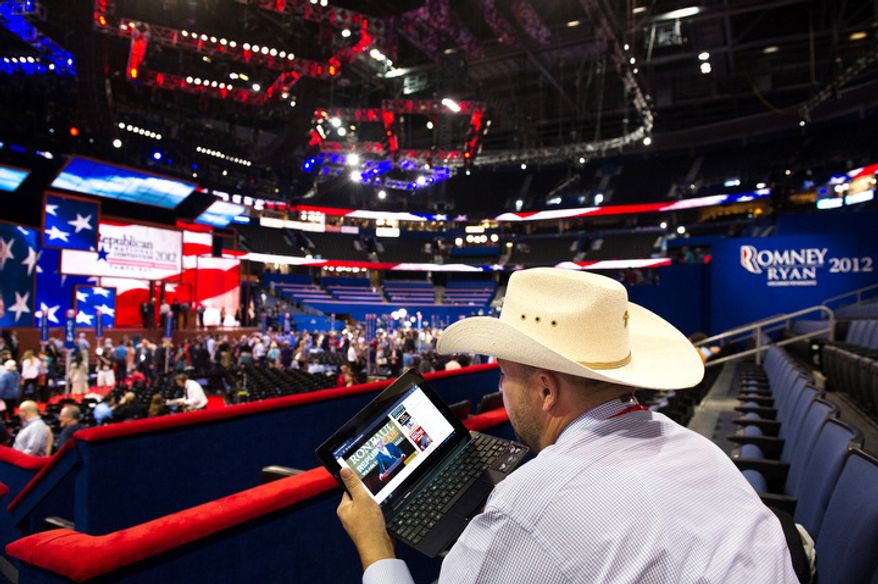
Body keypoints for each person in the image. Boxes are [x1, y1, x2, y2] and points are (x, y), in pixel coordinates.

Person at [336, 268, 798, 584]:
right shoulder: (697, 448)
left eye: (505, 373)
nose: (502, 387)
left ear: (545, 391)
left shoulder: (530, 507)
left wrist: (376, 550)